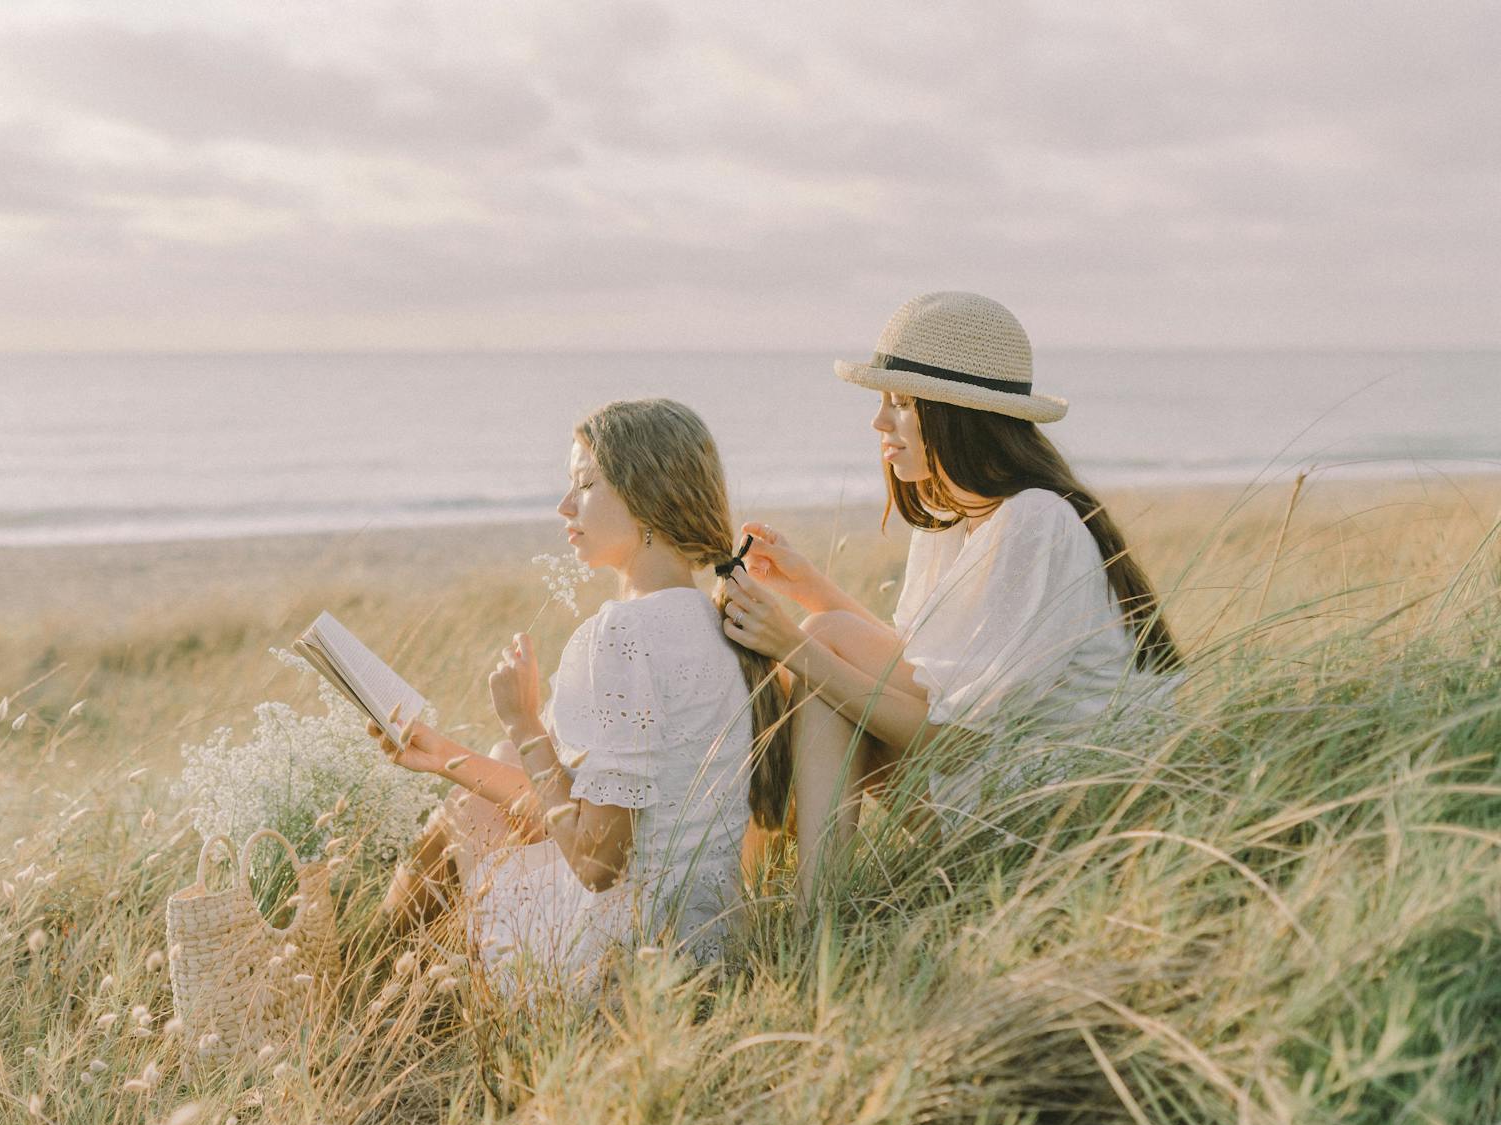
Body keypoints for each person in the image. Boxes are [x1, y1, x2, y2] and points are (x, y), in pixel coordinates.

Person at [720, 291, 1185, 913]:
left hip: (1059, 823)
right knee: (825, 635)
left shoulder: (1035, 521)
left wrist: (792, 643)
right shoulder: (953, 519)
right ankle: (792, 903)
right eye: (883, 402)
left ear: (959, 414)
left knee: (818, 645)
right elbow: (921, 671)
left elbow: (955, 739)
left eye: (903, 404)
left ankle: (798, 910)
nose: (880, 424)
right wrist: (807, 589)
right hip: (997, 785)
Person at [373, 398, 790, 995]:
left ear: (648, 497)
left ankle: (354, 998)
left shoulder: (621, 635)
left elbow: (598, 863)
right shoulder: (716, 624)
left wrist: (524, 724)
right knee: (481, 788)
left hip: (616, 967)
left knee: (462, 819)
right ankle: (384, 991)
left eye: (585, 485)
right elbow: (590, 810)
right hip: (705, 948)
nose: (564, 506)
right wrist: (442, 754)